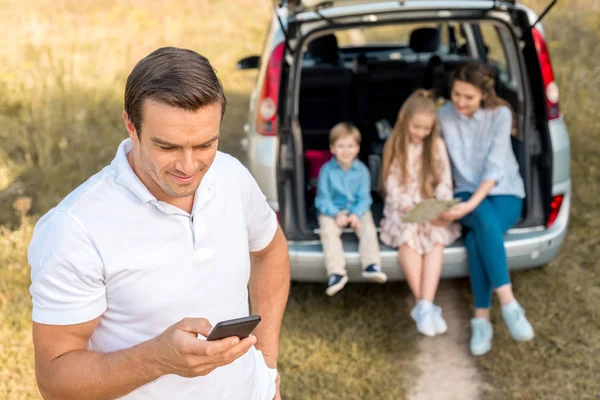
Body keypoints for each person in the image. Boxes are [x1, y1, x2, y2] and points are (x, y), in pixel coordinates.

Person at [27, 47, 290, 399]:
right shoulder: (73, 229)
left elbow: (270, 251)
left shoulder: (230, 174)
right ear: (131, 126)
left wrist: (266, 364)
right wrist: (157, 360)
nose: (188, 166)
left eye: (205, 144)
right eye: (167, 147)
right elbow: (54, 380)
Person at [438, 61, 534, 356]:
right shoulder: (443, 115)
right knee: (482, 220)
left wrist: (468, 206)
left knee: (477, 233)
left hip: (504, 190)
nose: (460, 102)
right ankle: (509, 304)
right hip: (464, 188)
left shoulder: (501, 114)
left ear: (483, 94)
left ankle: (484, 317)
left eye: (468, 97)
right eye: (456, 94)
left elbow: (494, 167)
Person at [379, 90, 461, 337]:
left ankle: (425, 305)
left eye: (426, 129)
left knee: (436, 239)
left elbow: (445, 182)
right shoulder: (396, 145)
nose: (421, 133)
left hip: (429, 207)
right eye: (417, 127)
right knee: (409, 236)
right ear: (405, 120)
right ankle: (425, 305)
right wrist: (411, 208)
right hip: (401, 209)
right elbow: (392, 187)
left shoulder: (436, 146)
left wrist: (440, 206)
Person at [315, 122, 387, 296]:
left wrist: (355, 214)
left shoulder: (362, 170)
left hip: (356, 209)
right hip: (332, 210)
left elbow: (364, 198)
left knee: (367, 228)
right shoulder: (326, 171)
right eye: (340, 146)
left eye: (350, 146)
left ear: (357, 148)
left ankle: (371, 264)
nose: (346, 150)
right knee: (328, 232)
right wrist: (336, 214)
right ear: (332, 148)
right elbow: (322, 199)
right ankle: (337, 272)